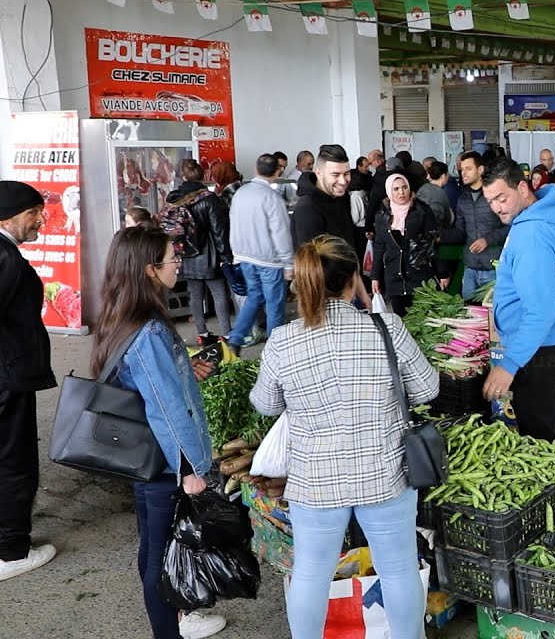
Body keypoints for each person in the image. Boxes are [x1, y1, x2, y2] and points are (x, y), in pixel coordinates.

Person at [251, 235, 436, 639]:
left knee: (310, 574)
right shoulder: (387, 329)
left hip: (315, 481)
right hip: (384, 475)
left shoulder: (283, 340)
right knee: (399, 569)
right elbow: (427, 388)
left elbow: (265, 403)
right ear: (354, 279)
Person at [89, 226, 224, 639]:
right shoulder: (149, 330)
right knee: (161, 558)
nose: (178, 264)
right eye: (172, 258)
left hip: (144, 457)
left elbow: (147, 383)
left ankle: (174, 623)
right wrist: (192, 470)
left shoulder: (120, 315)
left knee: (152, 547)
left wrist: (184, 369)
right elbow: (166, 408)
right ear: (150, 269)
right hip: (165, 463)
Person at [480, 159, 555, 443]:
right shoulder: (546, 214)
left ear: (522, 188)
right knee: (547, 424)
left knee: (537, 438)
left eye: (502, 198)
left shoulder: (532, 235)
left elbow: (540, 313)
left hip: (540, 351)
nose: (497, 207)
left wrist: (509, 364)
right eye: (490, 201)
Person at [0, 182, 56, 584]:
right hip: (7, 378)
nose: (40, 220)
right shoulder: (5, 258)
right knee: (14, 462)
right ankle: (12, 552)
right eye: (33, 213)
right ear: (7, 217)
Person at [227, 154, 295, 354]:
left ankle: (236, 338)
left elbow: (234, 224)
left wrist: (236, 254)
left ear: (256, 169)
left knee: (254, 297)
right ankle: (274, 350)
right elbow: (281, 233)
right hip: (270, 261)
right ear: (277, 171)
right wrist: (288, 263)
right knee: (274, 306)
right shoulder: (272, 198)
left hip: (245, 258)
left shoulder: (241, 193)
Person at [166, 160, 234, 346]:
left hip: (185, 252)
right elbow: (218, 230)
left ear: (183, 176)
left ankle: (202, 334)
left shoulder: (174, 198)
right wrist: (225, 256)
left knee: (195, 295)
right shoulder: (209, 198)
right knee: (219, 293)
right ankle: (227, 334)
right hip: (208, 253)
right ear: (203, 176)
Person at [372, 174, 448, 315]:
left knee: (423, 319)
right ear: (389, 192)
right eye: (396, 189)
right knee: (400, 320)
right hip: (394, 277)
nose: (401, 192)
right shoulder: (381, 216)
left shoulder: (422, 211)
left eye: (404, 187)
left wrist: (442, 273)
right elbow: (379, 248)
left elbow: (432, 244)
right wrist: (375, 277)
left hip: (419, 275)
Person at [444, 152, 509, 301]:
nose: (463, 173)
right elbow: (460, 232)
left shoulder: (494, 196)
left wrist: (487, 240)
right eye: (462, 169)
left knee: (494, 312)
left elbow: (510, 227)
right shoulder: (463, 199)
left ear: (480, 170)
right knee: (469, 310)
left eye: (468, 168)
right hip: (470, 268)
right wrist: (440, 236)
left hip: (493, 268)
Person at [292, 145, 361, 255]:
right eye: (335, 175)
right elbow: (310, 260)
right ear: (319, 173)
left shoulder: (341, 196)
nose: (343, 181)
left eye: (346, 174)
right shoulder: (307, 208)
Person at [416, 160, 454, 228]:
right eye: (448, 174)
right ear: (443, 176)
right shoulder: (439, 194)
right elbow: (437, 219)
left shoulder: (423, 188)